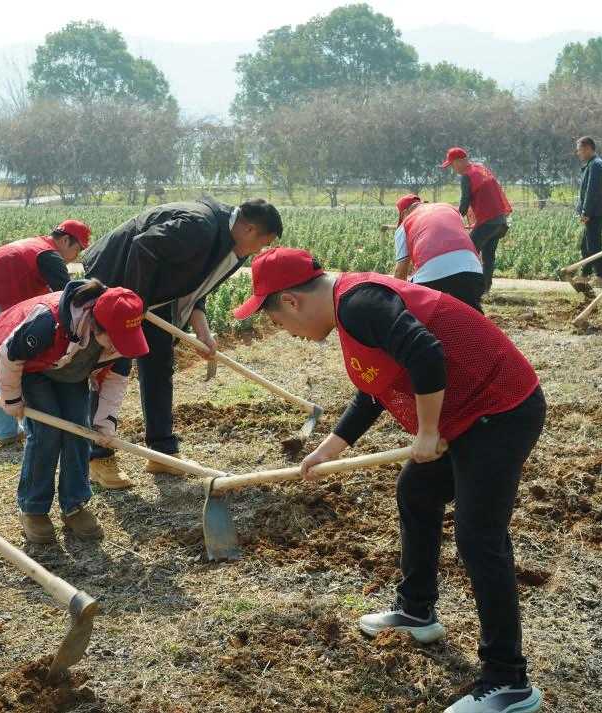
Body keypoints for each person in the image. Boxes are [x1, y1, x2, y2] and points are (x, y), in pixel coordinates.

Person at [233, 247, 546, 713]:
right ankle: (417, 611)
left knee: (480, 538)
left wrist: (427, 431)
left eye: (278, 321)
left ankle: (509, 682)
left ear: (292, 301)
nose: (288, 332)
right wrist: (330, 448)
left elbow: (426, 353)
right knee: (416, 493)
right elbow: (374, 388)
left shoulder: (359, 304)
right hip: (466, 413)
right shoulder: (350, 307)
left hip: (500, 409)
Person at [81, 197, 282, 475]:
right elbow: (142, 247)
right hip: (116, 279)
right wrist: (135, 308)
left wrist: (203, 333)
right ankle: (97, 455)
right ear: (249, 229)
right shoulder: (199, 226)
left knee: (160, 364)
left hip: (155, 291)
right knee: (113, 366)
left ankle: (162, 452)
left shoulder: (234, 248)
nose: (261, 250)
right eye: (264, 242)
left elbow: (196, 286)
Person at [0, 280, 149, 542]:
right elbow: (9, 354)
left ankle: (74, 505)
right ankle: (33, 509)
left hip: (71, 372)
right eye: (115, 339)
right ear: (96, 324)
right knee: (47, 433)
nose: (119, 346)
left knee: (80, 430)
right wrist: (12, 399)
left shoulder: (122, 338)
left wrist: (105, 424)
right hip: (35, 369)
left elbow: (115, 381)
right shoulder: (46, 322)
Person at [0, 220, 91, 449]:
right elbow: (65, 298)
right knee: (20, 360)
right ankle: (32, 427)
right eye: (78, 249)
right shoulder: (49, 256)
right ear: (66, 240)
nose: (76, 256)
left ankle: (6, 432)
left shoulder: (35, 246)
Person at [390, 194, 485, 311]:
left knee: (422, 315)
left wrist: (396, 305)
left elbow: (400, 273)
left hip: (431, 277)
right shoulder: (450, 208)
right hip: (473, 271)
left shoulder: (404, 225)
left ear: (404, 213)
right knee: (472, 314)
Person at [442, 147, 513, 293]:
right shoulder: (481, 169)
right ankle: (485, 290)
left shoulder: (466, 176)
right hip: (500, 221)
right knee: (488, 257)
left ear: (459, 161)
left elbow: (465, 202)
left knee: (467, 252)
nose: (453, 169)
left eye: (452, 165)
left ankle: (464, 288)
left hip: (487, 222)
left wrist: (452, 218)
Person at [574, 137, 602, 283]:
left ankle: (600, 276)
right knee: (586, 244)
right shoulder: (592, 164)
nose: (578, 153)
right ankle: (585, 275)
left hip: (595, 212)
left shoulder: (595, 165)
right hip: (593, 212)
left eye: (580, 150)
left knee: (594, 244)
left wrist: (586, 212)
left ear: (588, 148)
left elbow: (592, 190)